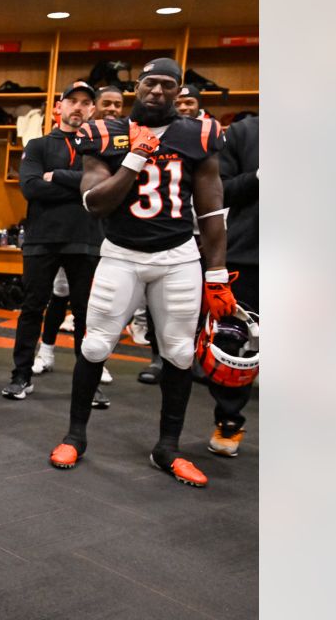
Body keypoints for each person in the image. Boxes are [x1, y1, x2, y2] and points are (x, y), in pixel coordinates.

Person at [49, 58, 233, 489]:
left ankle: (168, 447)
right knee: (95, 345)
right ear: (138, 86)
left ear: (179, 91)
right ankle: (75, 435)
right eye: (151, 83)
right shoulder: (103, 131)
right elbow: (95, 202)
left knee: (180, 354)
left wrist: (219, 271)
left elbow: (211, 207)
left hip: (178, 256)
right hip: (121, 253)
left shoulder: (200, 133)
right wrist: (133, 160)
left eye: (168, 85)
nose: (158, 92)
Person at [5, 81, 108, 407]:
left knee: (84, 314)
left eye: (85, 103)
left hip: (86, 239)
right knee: (32, 308)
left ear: (92, 110)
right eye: (72, 101)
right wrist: (81, 184)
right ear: (59, 107)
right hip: (42, 239)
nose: (78, 107)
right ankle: (21, 375)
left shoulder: (99, 148)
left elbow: (104, 186)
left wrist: (57, 177)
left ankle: (88, 384)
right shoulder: (37, 145)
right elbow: (32, 188)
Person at [206, 115, 258, 457]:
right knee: (235, 340)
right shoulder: (244, 131)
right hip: (250, 251)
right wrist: (259, 177)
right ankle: (229, 421)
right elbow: (218, 190)